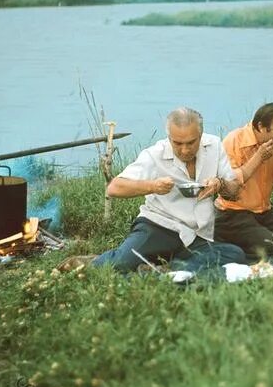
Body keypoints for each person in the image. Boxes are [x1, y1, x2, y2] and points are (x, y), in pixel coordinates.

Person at [88, 107, 247, 274]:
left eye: (191, 143)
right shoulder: (154, 154)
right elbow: (114, 188)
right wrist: (153, 186)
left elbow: (235, 191)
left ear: (201, 135)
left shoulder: (214, 145)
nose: (184, 150)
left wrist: (220, 184)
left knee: (235, 255)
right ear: (169, 137)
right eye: (177, 143)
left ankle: (165, 269)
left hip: (196, 234)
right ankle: (93, 261)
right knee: (118, 265)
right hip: (158, 226)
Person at [214, 102, 273, 258]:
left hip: (264, 211)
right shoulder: (234, 141)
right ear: (262, 127)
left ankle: (257, 234)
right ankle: (224, 237)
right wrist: (259, 157)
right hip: (232, 213)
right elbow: (231, 184)